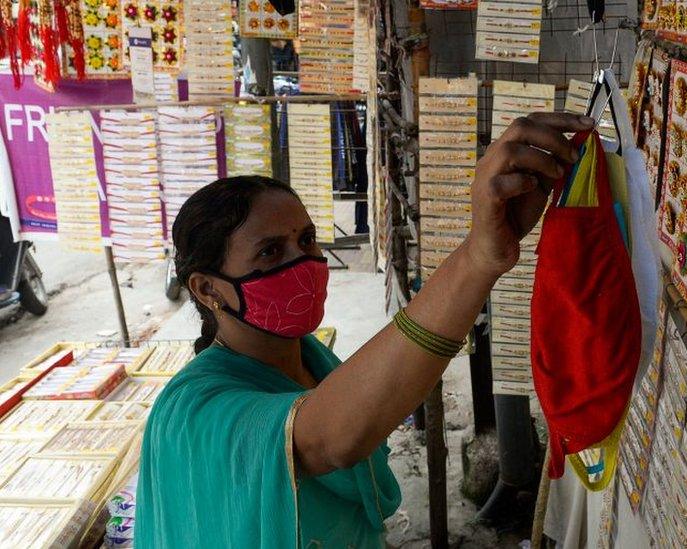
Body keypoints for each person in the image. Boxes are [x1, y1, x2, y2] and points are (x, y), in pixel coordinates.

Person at [135, 113, 595, 547]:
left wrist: (488, 255)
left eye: (306, 240)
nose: (304, 263)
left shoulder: (314, 362)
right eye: (270, 253)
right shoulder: (192, 410)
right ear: (207, 290)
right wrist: (477, 258)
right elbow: (332, 440)